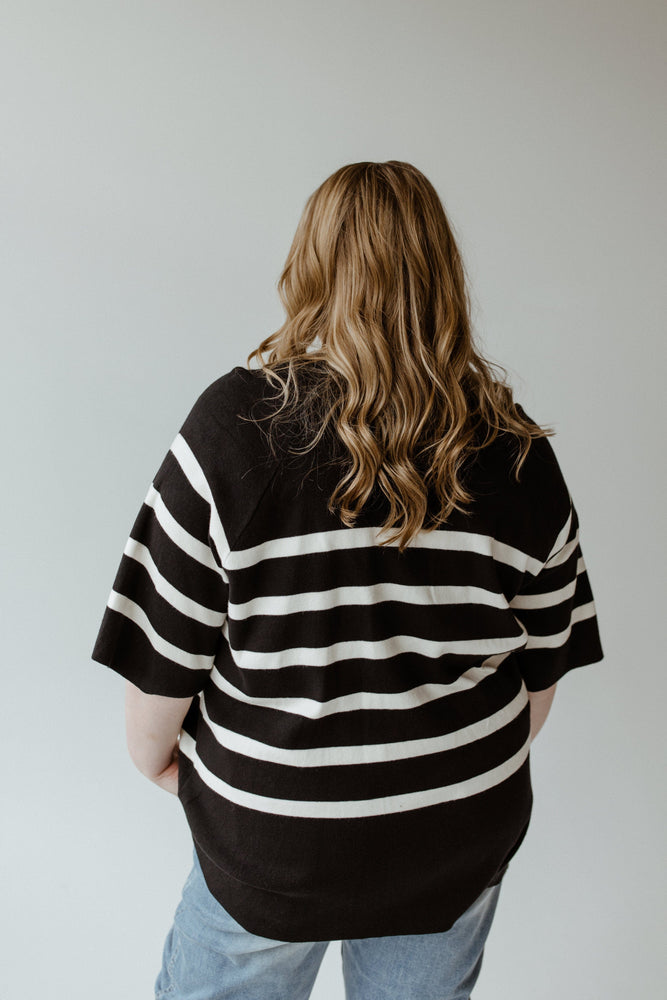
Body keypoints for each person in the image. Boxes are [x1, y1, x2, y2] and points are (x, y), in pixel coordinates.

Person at [91, 160, 604, 1000]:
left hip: (271, 840)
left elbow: (163, 653)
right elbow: (536, 680)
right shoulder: (515, 449)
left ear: (311, 264)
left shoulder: (231, 425)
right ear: (442, 273)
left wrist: (161, 767)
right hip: (452, 832)